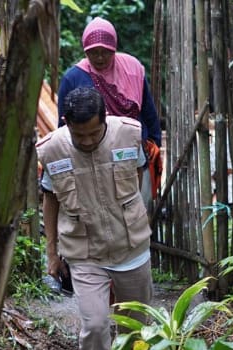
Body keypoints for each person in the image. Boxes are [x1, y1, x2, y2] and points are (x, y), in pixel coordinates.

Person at [37, 87, 153, 350]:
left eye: (94, 133)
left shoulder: (128, 135)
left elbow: (141, 174)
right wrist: (52, 254)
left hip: (131, 247)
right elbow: (49, 199)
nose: (87, 141)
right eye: (80, 135)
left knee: (135, 322)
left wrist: (135, 216)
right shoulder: (52, 150)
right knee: (96, 326)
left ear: (105, 119)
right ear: (66, 123)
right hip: (84, 252)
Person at [58, 16, 163, 207]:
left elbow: (147, 109)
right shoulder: (73, 78)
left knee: (137, 208)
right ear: (85, 51)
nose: (99, 58)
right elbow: (63, 125)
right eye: (93, 52)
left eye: (105, 52)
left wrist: (154, 142)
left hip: (134, 152)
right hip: (92, 156)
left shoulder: (133, 69)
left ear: (114, 49)